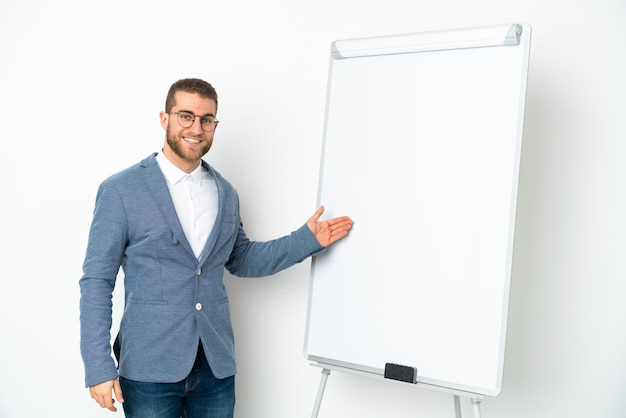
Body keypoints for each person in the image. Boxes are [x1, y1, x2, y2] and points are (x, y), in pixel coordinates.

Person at [79, 78, 353, 418]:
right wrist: (98, 366)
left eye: (206, 119)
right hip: (149, 368)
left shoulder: (225, 192)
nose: (196, 127)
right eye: (186, 116)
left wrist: (306, 241)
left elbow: (240, 259)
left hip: (215, 366)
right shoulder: (121, 190)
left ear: (214, 126)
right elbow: (96, 280)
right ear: (164, 119)